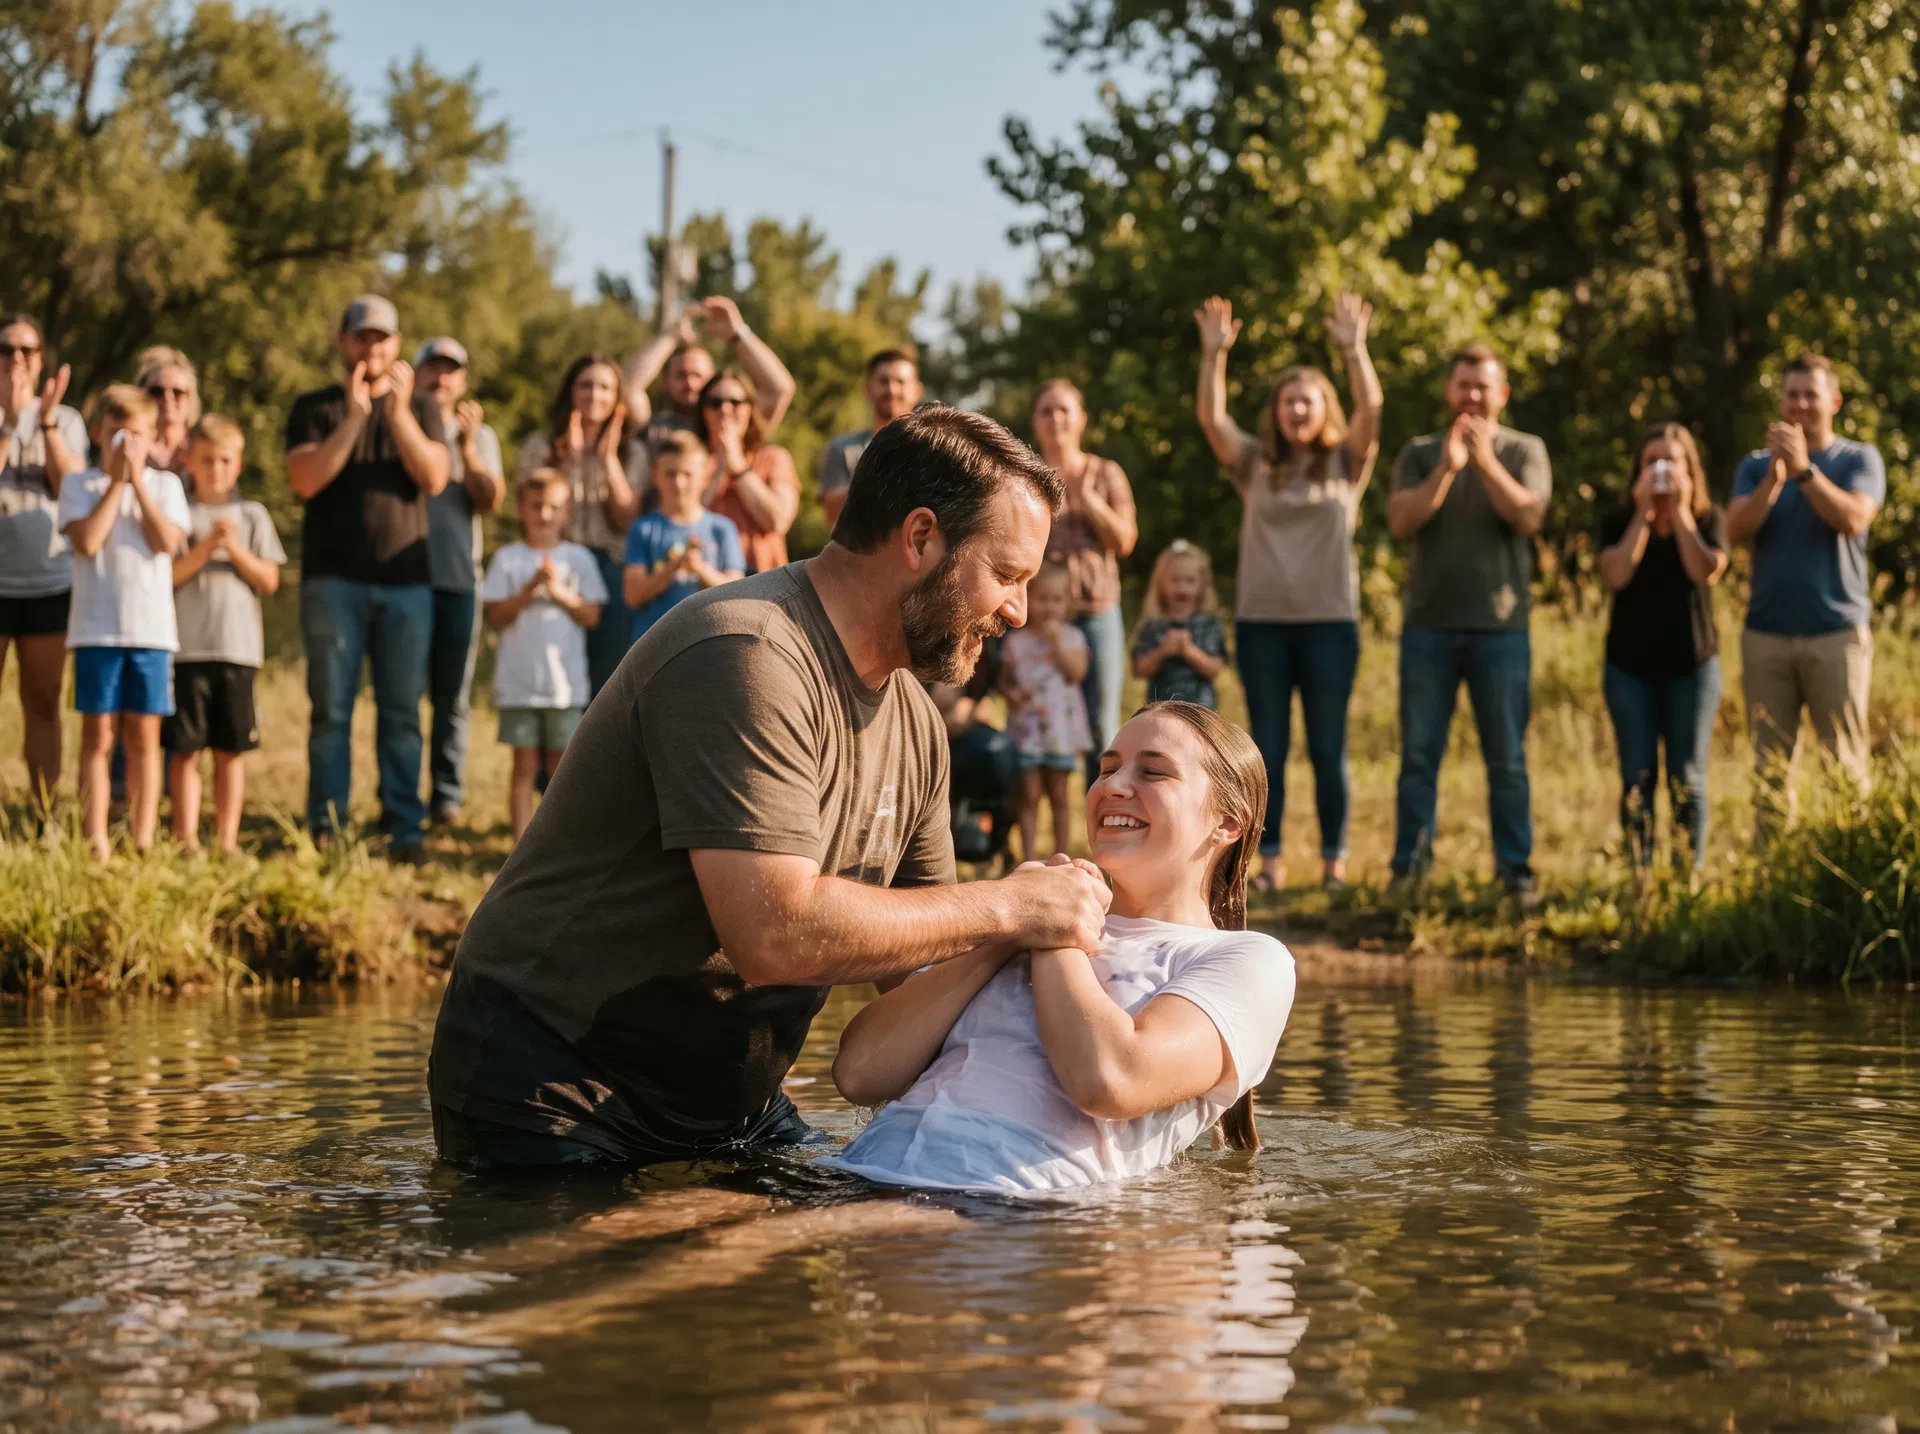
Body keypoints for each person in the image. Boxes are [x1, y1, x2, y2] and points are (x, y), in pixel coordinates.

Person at [428, 405, 1110, 1171]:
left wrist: (1118, 1019)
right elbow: (773, 934)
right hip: (552, 1083)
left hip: (726, 1103)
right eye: (1008, 574)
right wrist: (1010, 906)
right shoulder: (747, 653)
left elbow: (925, 966)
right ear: (920, 538)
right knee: (653, 1280)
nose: (1017, 610)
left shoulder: (917, 722)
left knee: (913, 1223)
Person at [825, 701, 1295, 1195]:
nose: (1113, 785)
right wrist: (1008, 929)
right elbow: (860, 1072)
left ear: (1228, 823)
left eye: (1153, 771)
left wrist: (1055, 930)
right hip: (853, 1176)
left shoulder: (1249, 960)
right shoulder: (1025, 918)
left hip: (1004, 1210)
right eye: (1107, 768)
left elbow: (1111, 1079)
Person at [1194, 292, 1381, 891]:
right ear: (1275, 411)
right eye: (1288, 401)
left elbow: (1372, 409)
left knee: (1328, 748)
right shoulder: (1255, 463)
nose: (1297, 409)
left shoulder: (1346, 462)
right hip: (1263, 626)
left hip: (1330, 625)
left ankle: (1333, 863)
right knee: (1266, 749)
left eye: (1309, 400)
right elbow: (1211, 421)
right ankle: (1266, 865)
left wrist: (1354, 350)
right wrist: (1213, 356)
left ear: (1324, 408)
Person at [286, 294, 449, 859]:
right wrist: (355, 416)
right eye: (361, 337)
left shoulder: (423, 409)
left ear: (397, 346)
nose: (371, 347)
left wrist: (397, 413)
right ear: (343, 341)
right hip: (333, 584)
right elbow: (305, 480)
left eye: (381, 338)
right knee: (331, 710)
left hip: (406, 586)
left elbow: (433, 477)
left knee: (402, 712)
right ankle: (327, 827)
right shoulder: (315, 408)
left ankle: (404, 829)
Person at [1385, 345, 1552, 900]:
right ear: (1449, 392)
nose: (1473, 396)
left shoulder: (1526, 450)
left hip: (1501, 630)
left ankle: (1515, 875)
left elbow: (1529, 516)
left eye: (1484, 386)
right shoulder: (1420, 452)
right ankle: (1409, 874)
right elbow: (1402, 521)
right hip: (1428, 628)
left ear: (1502, 394)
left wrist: (1484, 463)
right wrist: (1449, 468)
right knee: (1418, 758)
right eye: (1464, 386)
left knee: (1506, 759)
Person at [1725, 352, 1885, 841]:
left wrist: (1803, 472)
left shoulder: (1858, 459)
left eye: (1809, 395)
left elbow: (1853, 519)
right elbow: (1733, 529)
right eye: (1791, 395)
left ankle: (1851, 870)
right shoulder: (1756, 467)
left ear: (1832, 402)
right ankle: (1773, 884)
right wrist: (1775, 479)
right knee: (1769, 772)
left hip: (1836, 636)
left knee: (1844, 767)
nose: (1799, 405)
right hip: (1767, 638)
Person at [59, 385, 188, 859]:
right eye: (116, 433)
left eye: (136, 435)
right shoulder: (79, 485)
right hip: (95, 632)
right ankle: (94, 837)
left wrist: (137, 483)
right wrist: (117, 483)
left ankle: (143, 837)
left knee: (144, 738)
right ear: (98, 433)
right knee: (98, 737)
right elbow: (88, 542)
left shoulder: (167, 486)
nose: (126, 445)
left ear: (153, 438)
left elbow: (165, 542)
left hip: (151, 635)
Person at [1597, 425, 1729, 872]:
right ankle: (1640, 876)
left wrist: (1683, 514)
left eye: (1672, 461)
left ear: (1690, 470)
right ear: (1637, 470)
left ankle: (1685, 877)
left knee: (1687, 778)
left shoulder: (1711, 520)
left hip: (1692, 668)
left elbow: (1704, 572)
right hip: (1629, 669)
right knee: (1637, 777)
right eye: (1652, 461)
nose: (1662, 470)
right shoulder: (1617, 521)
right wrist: (1643, 517)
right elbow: (1616, 575)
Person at [164, 415, 286, 855]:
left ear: (238, 465)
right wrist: (204, 547)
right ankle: (186, 838)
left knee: (230, 750)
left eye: (225, 461)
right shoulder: (178, 512)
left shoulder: (251, 515)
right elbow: (169, 575)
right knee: (185, 750)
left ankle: (227, 840)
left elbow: (269, 580)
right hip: (185, 650)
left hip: (237, 651)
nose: (215, 469)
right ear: (190, 462)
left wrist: (233, 548)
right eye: (207, 460)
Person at [481, 470, 607, 844]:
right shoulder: (507, 559)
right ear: (521, 509)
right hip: (519, 686)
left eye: (554, 506)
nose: (545, 514)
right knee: (523, 768)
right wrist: (531, 587)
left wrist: (557, 591)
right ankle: (521, 850)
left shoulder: (578, 559)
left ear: (567, 512)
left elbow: (592, 615)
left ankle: (558, 846)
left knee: (561, 770)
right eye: (537, 506)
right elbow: (497, 617)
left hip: (564, 687)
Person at [514, 353, 644, 696]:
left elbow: (627, 521)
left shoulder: (634, 452)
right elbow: (535, 513)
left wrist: (608, 460)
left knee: (609, 678)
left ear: (618, 398)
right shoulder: (540, 447)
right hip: (557, 565)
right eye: (585, 385)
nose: (594, 395)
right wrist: (568, 465)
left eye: (605, 387)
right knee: (556, 676)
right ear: (570, 391)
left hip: (611, 566)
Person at [415, 337, 506, 826]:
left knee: (452, 698)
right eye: (432, 367)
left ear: (463, 381)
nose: (440, 378)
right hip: (405, 582)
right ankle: (404, 797)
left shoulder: (481, 435)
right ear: (415, 373)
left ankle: (446, 796)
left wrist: (468, 451)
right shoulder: (400, 423)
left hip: (458, 583)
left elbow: (491, 499)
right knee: (405, 698)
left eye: (451, 370)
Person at [1032, 380, 1137, 789]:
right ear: (1035, 421)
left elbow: (1126, 541)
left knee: (1100, 726)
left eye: (1064, 410)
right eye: (1046, 411)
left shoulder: (1106, 473)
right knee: (1036, 724)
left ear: (1082, 419)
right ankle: (1028, 838)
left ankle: (1106, 830)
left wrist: (1090, 502)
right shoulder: (1025, 475)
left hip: (1097, 614)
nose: (1056, 419)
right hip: (1038, 619)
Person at [0, 313, 86, 814]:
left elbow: (70, 487)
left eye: (26, 351)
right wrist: (10, 424)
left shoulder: (67, 418)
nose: (16, 359)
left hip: (48, 585)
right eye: (6, 349)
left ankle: (45, 814)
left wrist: (45, 422)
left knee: (43, 701)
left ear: (41, 359)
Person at [1001, 562, 1092, 860]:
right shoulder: (1017, 641)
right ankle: (1027, 858)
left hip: (1059, 731)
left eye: (1057, 600)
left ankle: (1061, 857)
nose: (1050, 607)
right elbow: (1004, 681)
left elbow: (1077, 672)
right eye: (1043, 599)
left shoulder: (1073, 638)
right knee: (1029, 794)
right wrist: (1012, 694)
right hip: (1028, 728)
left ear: (1068, 603)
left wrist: (1056, 643)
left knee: (1060, 795)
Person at [623, 296, 797, 445]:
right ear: (665, 381)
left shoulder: (735, 424)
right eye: (681, 375)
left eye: (698, 375)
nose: (690, 383)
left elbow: (780, 389)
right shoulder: (651, 427)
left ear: (713, 379)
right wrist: (669, 337)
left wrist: (738, 332)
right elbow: (626, 387)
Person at [623, 430, 745, 642]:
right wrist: (674, 566)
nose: (678, 483)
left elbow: (738, 595)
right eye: (670, 474)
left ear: (705, 476)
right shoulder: (642, 529)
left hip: (710, 642)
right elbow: (633, 596)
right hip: (654, 645)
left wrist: (698, 567)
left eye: (687, 474)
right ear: (655, 476)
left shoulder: (723, 529)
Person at [698, 369, 801, 575]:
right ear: (704, 411)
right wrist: (719, 469)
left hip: (764, 579)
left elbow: (777, 520)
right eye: (716, 402)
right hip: (707, 579)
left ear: (750, 409)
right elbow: (684, 519)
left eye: (735, 402)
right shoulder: (692, 461)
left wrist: (738, 467)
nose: (725, 409)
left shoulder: (774, 458)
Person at [819, 349, 924, 527]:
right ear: (867, 388)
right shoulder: (842, 448)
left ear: (917, 390)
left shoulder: (933, 449)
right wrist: (879, 473)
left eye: (900, 381)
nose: (891, 389)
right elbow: (832, 514)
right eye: (883, 381)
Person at [1131, 539, 1228, 710]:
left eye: (1190, 581)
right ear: (1161, 583)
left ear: (1202, 585)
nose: (1182, 588)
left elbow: (1215, 669)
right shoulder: (1154, 626)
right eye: (1175, 580)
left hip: (1202, 712)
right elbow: (1139, 670)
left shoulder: (1208, 624)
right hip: (1161, 711)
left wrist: (1188, 650)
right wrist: (1162, 651)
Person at [134, 347, 200, 475]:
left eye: (177, 392)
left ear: (191, 398)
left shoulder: (203, 448)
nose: (167, 398)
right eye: (157, 391)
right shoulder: (127, 444)